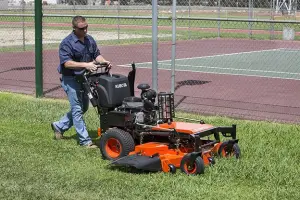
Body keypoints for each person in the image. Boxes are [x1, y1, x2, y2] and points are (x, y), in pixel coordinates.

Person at [51, 15, 111, 148]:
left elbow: (96, 54)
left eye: (86, 27)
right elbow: (67, 63)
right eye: (81, 28)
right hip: (71, 79)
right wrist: (86, 65)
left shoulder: (89, 40)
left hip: (85, 79)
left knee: (83, 107)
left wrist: (103, 61)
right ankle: (85, 141)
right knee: (77, 109)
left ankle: (59, 126)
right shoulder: (67, 43)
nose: (85, 30)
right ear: (74, 28)